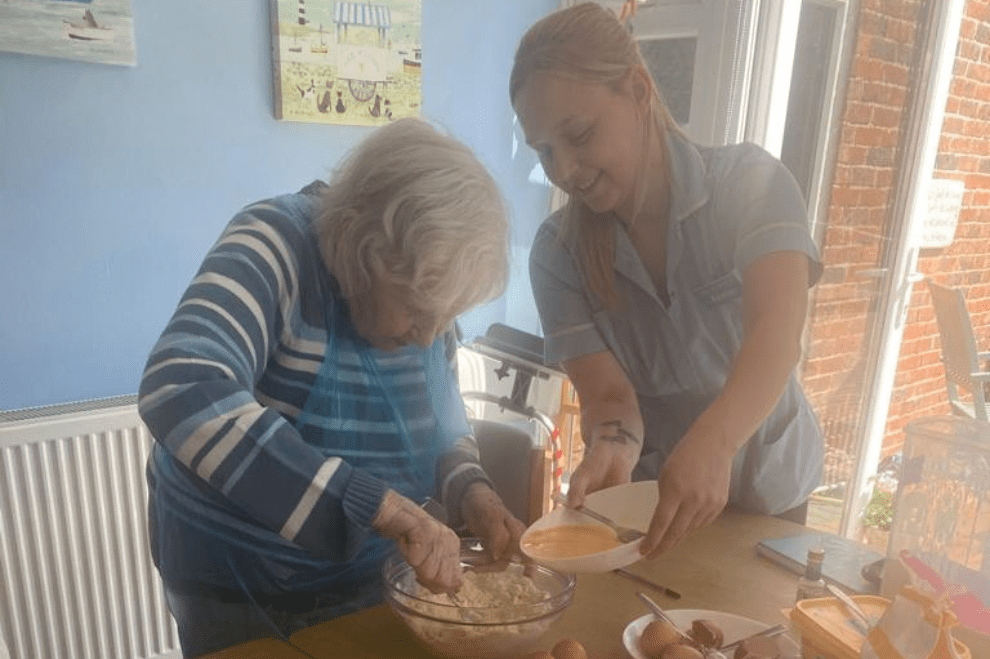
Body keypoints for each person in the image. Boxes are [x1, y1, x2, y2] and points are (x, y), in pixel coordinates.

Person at [138, 118, 525, 658]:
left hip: (364, 573)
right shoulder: (275, 243)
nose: (430, 336)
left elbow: (444, 423)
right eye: (417, 312)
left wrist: (471, 489)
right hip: (236, 582)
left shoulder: (427, 296)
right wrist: (378, 507)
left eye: (446, 317)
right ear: (360, 244)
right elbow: (182, 383)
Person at [510, 3, 824, 559]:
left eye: (578, 135)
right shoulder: (556, 256)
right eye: (544, 150)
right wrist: (611, 446)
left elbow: (776, 334)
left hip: (772, 492)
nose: (561, 170)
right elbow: (610, 398)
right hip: (656, 500)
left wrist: (716, 440)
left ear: (637, 90)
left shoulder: (752, 184)